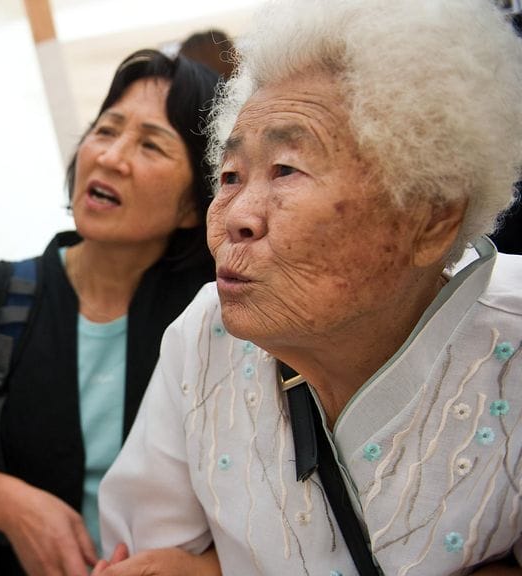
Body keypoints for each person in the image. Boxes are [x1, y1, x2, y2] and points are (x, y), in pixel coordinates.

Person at [96, 0, 522, 575]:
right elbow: (147, 553)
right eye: (230, 176)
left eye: (286, 170)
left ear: (430, 218)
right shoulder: (203, 336)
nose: (234, 217)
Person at [0, 49, 220, 576]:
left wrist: (202, 569)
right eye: (106, 130)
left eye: (150, 144)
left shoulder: (217, 319)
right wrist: (12, 506)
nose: (111, 157)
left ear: (193, 205)